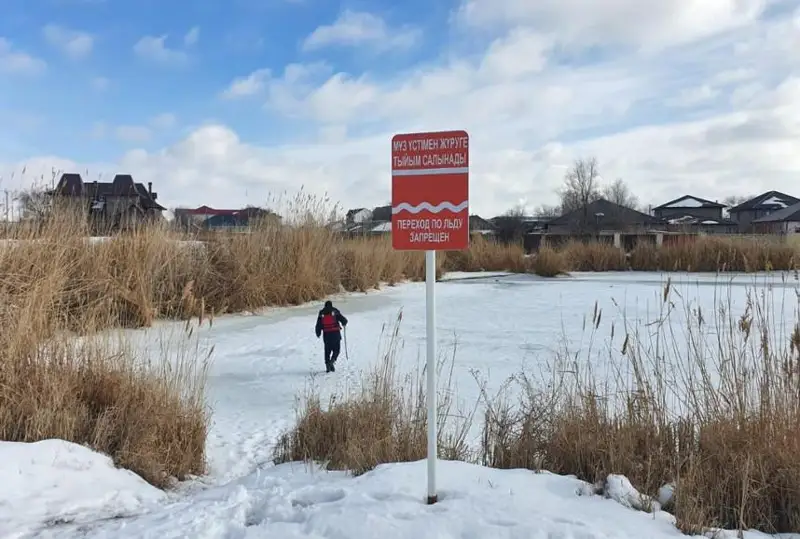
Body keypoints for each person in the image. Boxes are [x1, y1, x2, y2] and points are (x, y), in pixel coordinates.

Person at [315, 300, 348, 372]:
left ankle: (327, 365)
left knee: (327, 351)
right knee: (337, 350)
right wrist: (344, 322)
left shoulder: (322, 313)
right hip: (336, 334)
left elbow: (318, 324)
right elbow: (343, 319)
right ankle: (332, 361)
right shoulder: (335, 311)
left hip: (327, 335)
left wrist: (318, 333)